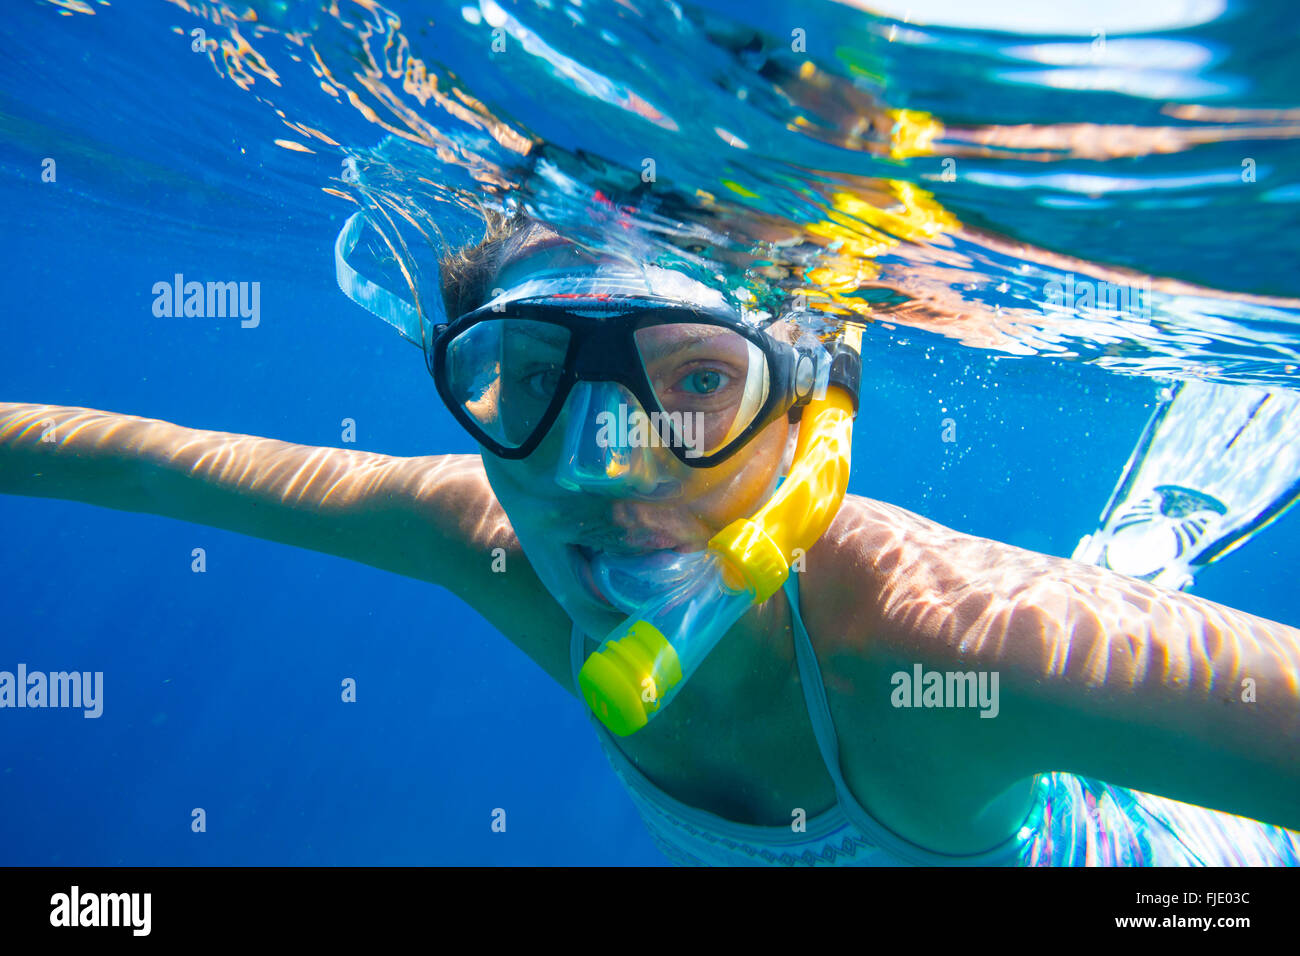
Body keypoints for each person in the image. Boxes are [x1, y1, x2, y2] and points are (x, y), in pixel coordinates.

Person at [3, 210, 1299, 866]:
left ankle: (1139, 561)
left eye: (695, 381)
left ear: (813, 427)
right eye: (525, 375)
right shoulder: (493, 543)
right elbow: (146, 466)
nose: (600, 469)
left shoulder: (931, 644)